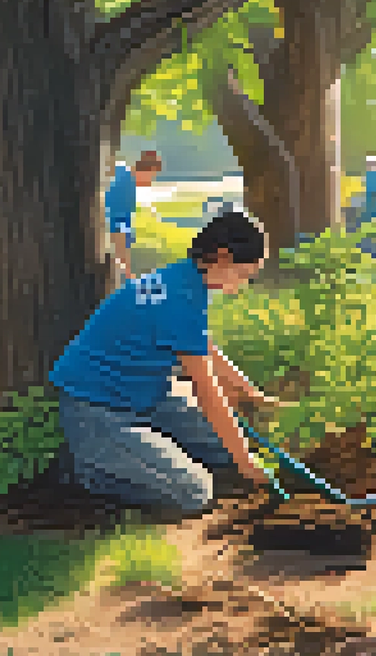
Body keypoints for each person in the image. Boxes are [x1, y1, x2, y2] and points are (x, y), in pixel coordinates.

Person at [49, 207, 273, 513]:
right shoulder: (178, 299)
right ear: (222, 257)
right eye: (243, 275)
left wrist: (245, 389)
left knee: (230, 445)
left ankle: (141, 452)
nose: (242, 285)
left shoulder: (187, 279)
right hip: (98, 410)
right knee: (193, 491)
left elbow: (199, 342)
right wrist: (246, 464)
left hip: (149, 400)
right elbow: (207, 393)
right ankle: (90, 470)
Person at [105, 150, 163, 279]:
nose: (150, 182)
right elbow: (119, 227)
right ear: (147, 169)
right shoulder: (125, 186)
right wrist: (126, 267)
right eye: (152, 176)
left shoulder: (121, 171)